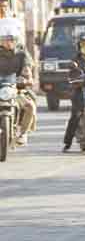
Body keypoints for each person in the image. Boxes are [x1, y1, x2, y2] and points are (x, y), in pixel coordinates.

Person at [0, 18, 36, 147]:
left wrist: (28, 77)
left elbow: (28, 65)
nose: (8, 43)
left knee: (30, 105)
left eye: (11, 40)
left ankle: (23, 133)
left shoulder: (21, 53)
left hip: (15, 87)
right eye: (5, 39)